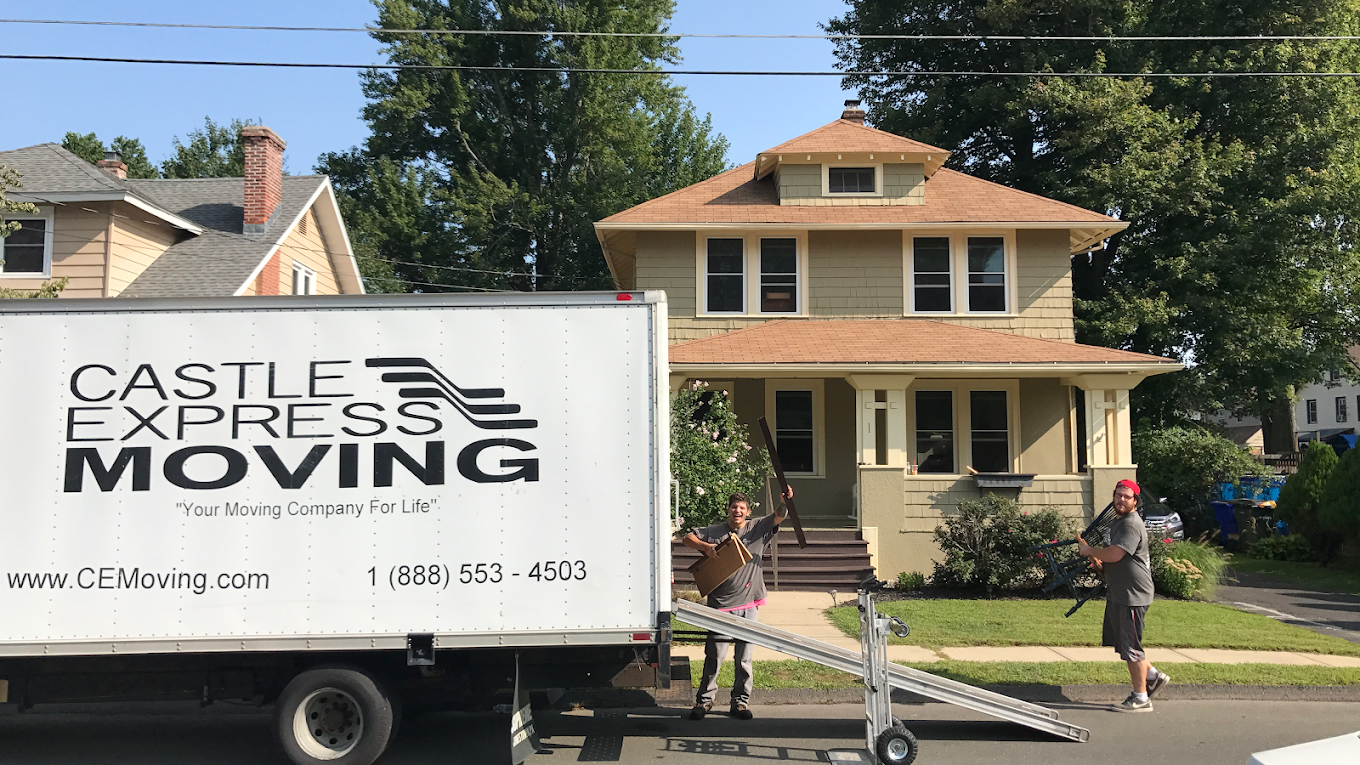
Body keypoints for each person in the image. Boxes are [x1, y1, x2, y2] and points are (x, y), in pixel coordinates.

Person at [683, 486, 792, 721]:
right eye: (734, 507)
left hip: (749, 604)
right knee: (714, 656)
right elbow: (687, 538)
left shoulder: (757, 528)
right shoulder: (715, 532)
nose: (738, 511)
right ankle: (704, 701)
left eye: (742, 508)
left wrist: (784, 501)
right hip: (720, 605)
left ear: (748, 512)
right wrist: (706, 547)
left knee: (744, 659)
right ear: (728, 510)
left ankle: (740, 703)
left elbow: (779, 516)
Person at [1079, 479, 1171, 712]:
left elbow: (1116, 554)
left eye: (1126, 497)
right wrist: (1098, 563)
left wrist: (1090, 550)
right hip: (1122, 592)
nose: (1121, 500)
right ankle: (1152, 674)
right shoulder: (1119, 522)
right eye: (1118, 495)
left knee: (1131, 648)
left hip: (1133, 595)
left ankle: (1141, 698)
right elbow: (1112, 559)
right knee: (1123, 643)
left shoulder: (1130, 524)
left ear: (1135, 501)